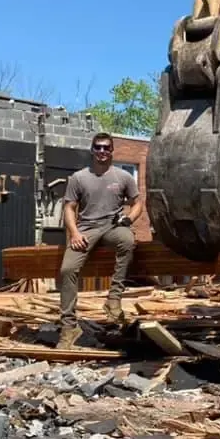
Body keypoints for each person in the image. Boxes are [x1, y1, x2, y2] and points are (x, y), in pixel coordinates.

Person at [57, 132, 143, 349]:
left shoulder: (123, 177)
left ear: (112, 150)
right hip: (86, 229)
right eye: (98, 147)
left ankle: (113, 299)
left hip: (113, 226)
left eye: (106, 147)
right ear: (92, 150)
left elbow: (137, 203)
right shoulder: (78, 178)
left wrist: (129, 219)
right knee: (68, 269)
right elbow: (69, 208)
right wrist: (74, 233)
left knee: (128, 241)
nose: (102, 151)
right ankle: (69, 328)